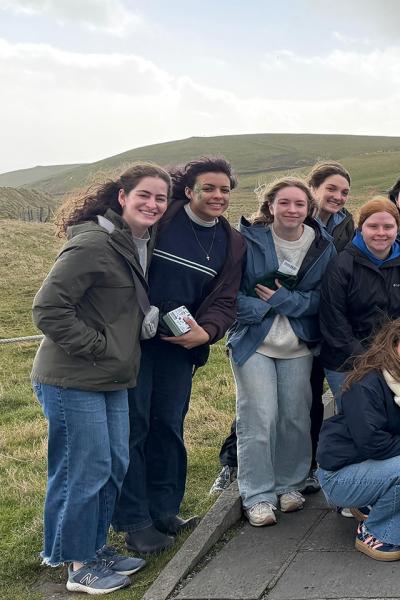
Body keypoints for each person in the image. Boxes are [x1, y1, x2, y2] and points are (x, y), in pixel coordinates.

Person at [32, 163, 170, 594]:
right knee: (83, 470)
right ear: (122, 196)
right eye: (144, 195)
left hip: (111, 376)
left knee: (113, 464)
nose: (153, 204)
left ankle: (89, 546)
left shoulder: (132, 243)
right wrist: (99, 347)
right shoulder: (94, 243)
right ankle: (78, 565)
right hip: (73, 377)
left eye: (161, 198)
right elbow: (48, 309)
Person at [114, 156, 245, 555]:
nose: (218, 196)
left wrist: (207, 332)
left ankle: (165, 510)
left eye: (224, 189)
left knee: (168, 427)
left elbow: (226, 297)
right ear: (188, 191)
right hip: (135, 343)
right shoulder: (164, 218)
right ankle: (134, 521)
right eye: (209, 188)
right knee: (134, 428)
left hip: (178, 348)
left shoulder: (231, 241)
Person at [227, 177, 335, 527]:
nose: (292, 210)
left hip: (298, 345)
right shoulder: (248, 241)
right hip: (255, 342)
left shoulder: (322, 245)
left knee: (295, 417)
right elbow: (230, 293)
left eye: (299, 204)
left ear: (309, 209)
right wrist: (264, 309)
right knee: (259, 417)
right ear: (270, 206)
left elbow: (323, 299)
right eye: (284, 203)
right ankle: (257, 495)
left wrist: (281, 300)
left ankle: (290, 484)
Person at [315, 317, 400, 562]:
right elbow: (373, 443)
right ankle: (373, 530)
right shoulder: (367, 383)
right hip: (342, 474)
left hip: (383, 468)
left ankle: (377, 514)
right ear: (393, 346)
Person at [320, 198, 400, 409]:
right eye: (373, 226)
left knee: (392, 420)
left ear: (397, 228)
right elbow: (334, 320)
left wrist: (393, 355)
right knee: (355, 420)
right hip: (347, 362)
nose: (381, 232)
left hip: (396, 359)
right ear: (361, 229)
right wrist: (367, 359)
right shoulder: (341, 264)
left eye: (388, 226)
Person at [309, 161, 354, 251]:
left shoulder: (347, 223)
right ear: (313, 188)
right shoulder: (297, 220)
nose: (338, 197)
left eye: (344, 193)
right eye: (331, 189)